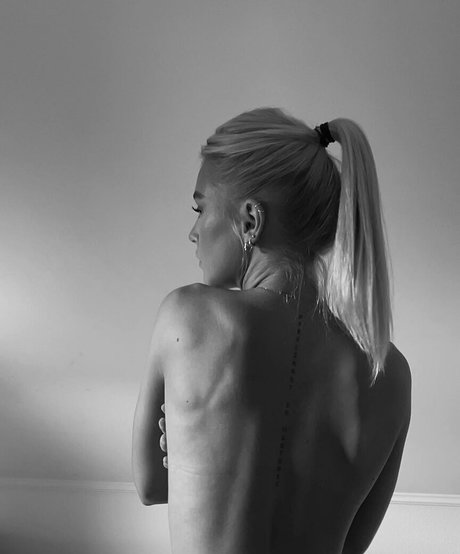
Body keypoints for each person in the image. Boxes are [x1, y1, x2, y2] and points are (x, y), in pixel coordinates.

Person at [132, 107, 412, 554]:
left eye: (200, 208)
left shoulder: (189, 317)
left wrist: (189, 443)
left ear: (250, 220)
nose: (193, 232)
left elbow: (150, 484)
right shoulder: (389, 371)